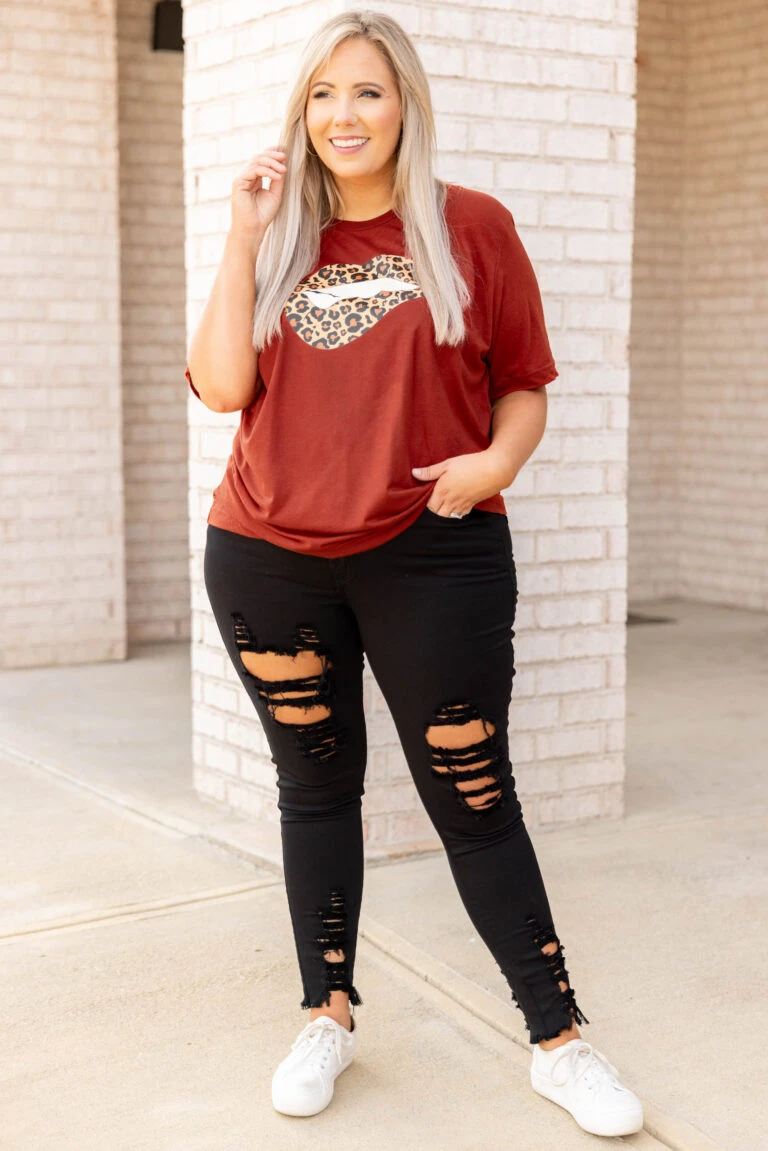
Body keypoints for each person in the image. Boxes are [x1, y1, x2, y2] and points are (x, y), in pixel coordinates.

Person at [185, 9, 643, 1139]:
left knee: (475, 798)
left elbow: (524, 383)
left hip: (434, 554)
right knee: (314, 788)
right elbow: (221, 387)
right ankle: (326, 1013)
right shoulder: (277, 238)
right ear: (302, 111)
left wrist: (493, 463)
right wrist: (242, 238)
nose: (344, 115)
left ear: (406, 107)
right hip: (268, 556)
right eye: (323, 94)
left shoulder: (471, 226)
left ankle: (558, 1037)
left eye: (368, 92)